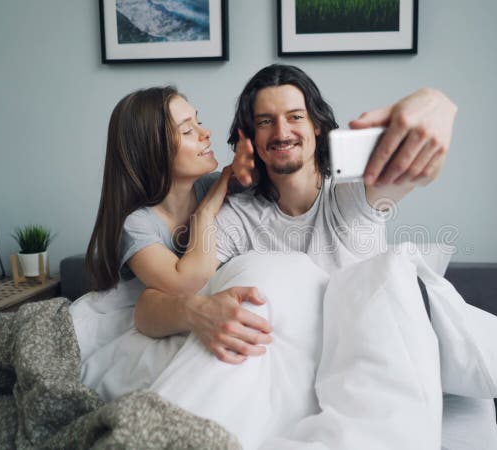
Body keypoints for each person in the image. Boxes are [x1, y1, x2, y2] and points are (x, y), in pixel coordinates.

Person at [135, 64, 457, 363]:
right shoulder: (238, 216)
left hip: (362, 358)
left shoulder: (354, 196)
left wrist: (435, 103)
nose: (281, 132)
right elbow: (147, 311)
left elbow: (421, 170)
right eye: (265, 121)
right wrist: (196, 312)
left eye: (295, 117)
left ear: (316, 125)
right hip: (280, 366)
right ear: (250, 137)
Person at [69, 86, 242, 398]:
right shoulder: (137, 224)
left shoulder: (212, 186)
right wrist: (207, 211)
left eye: (198, 122)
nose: (205, 133)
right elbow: (185, 282)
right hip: (142, 319)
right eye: (188, 130)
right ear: (153, 150)